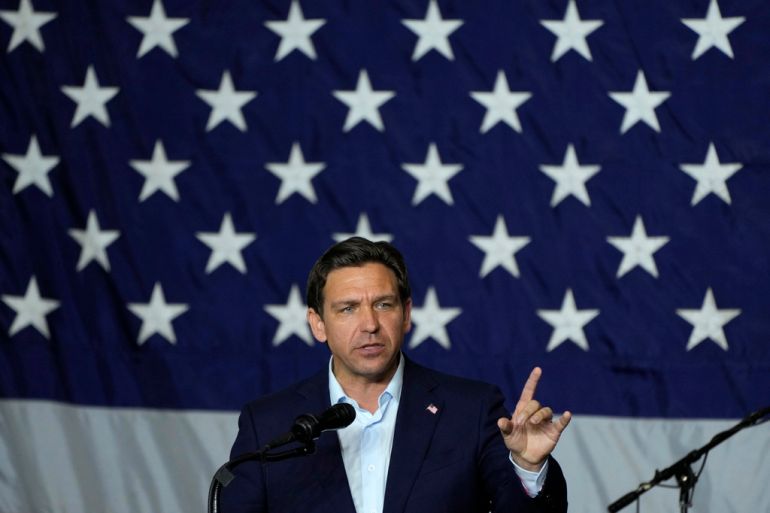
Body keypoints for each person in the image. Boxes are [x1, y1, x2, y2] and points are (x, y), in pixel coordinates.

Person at [222, 237, 571, 513]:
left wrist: (527, 466)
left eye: (383, 304)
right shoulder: (267, 425)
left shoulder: (472, 409)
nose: (370, 324)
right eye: (348, 309)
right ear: (317, 324)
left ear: (406, 314)